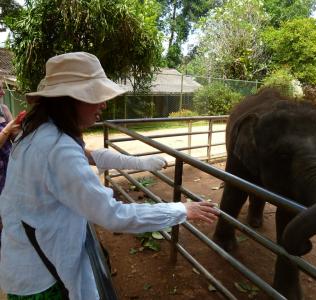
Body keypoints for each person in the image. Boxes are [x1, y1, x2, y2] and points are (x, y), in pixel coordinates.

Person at [0, 52, 219, 300]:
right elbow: (112, 215)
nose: (104, 103)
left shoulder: (39, 130)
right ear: (72, 99)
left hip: (24, 262)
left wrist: (140, 161)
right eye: (96, 95)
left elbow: (92, 155)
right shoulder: (58, 148)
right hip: (43, 279)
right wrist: (181, 210)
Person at [0, 87, 20, 193]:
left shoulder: (4, 109)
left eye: (2, 88)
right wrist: (8, 128)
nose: (3, 92)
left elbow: (15, 137)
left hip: (8, 165)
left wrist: (20, 127)